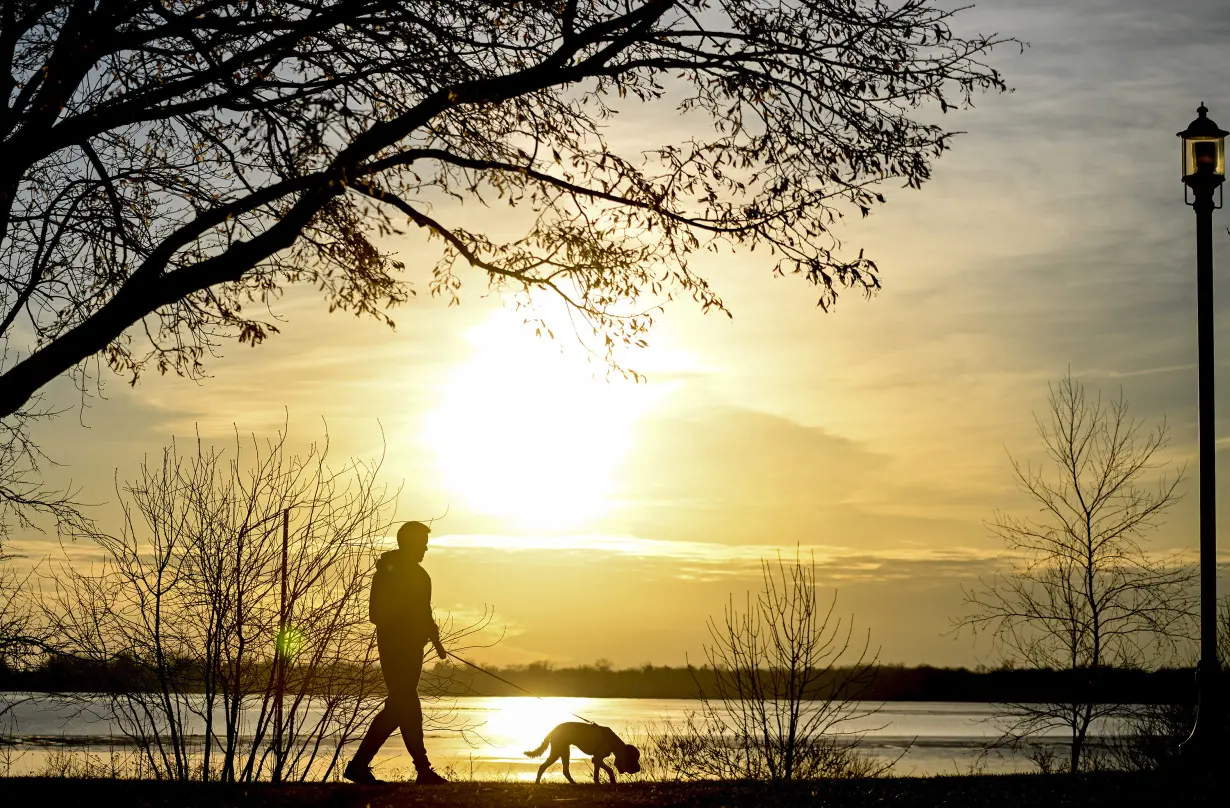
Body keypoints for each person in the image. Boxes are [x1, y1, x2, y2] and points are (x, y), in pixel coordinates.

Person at [344, 520, 449, 785]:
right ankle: (422, 769)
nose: (425, 550)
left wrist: (434, 638)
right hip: (393, 648)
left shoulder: (421, 576)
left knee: (398, 708)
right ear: (408, 543)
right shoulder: (387, 573)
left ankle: (359, 766)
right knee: (407, 703)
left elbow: (425, 612)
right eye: (422, 544)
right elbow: (376, 614)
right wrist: (409, 625)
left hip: (413, 650)